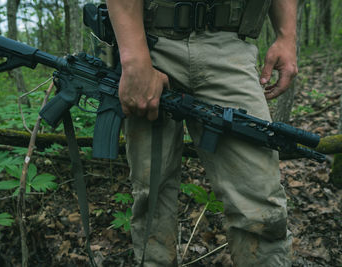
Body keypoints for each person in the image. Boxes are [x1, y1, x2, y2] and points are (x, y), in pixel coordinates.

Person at [106, 0, 298, 266]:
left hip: (229, 43)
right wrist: (134, 58)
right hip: (148, 40)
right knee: (151, 193)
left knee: (259, 198)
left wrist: (287, 36)